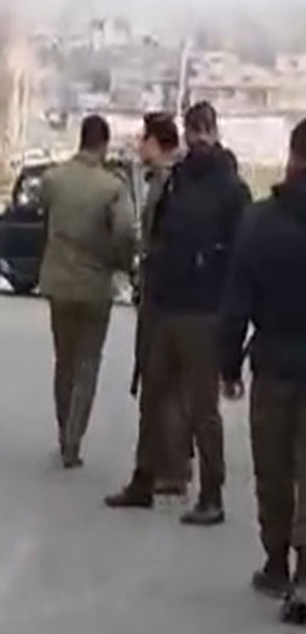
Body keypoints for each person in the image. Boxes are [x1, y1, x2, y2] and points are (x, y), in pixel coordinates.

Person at [106, 101, 249, 523]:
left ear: (213, 133)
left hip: (204, 310)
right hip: (168, 304)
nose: (198, 139)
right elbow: (157, 236)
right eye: (194, 131)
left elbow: (239, 256)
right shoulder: (179, 181)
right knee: (154, 397)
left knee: (201, 410)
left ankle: (211, 493)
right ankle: (144, 479)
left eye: (202, 131)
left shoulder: (230, 188)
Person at [218, 117, 306, 619]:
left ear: (292, 157)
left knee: (273, 467)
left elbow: (236, 305)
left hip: (273, 363)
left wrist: (228, 366)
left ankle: (276, 562)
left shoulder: (259, 222)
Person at [38, 114, 137, 467]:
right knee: (87, 364)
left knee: (63, 360)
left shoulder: (53, 179)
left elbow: (43, 216)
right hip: (95, 286)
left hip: (58, 283)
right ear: (104, 143)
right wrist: (121, 262)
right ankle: (73, 440)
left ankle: (63, 426)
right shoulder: (112, 187)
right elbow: (125, 231)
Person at [134, 111, 193, 495]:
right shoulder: (171, 179)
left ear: (157, 142)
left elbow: (159, 237)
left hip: (163, 294)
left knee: (162, 382)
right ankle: (169, 464)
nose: (139, 146)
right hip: (168, 292)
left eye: (143, 139)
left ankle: (166, 468)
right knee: (167, 383)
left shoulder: (168, 184)